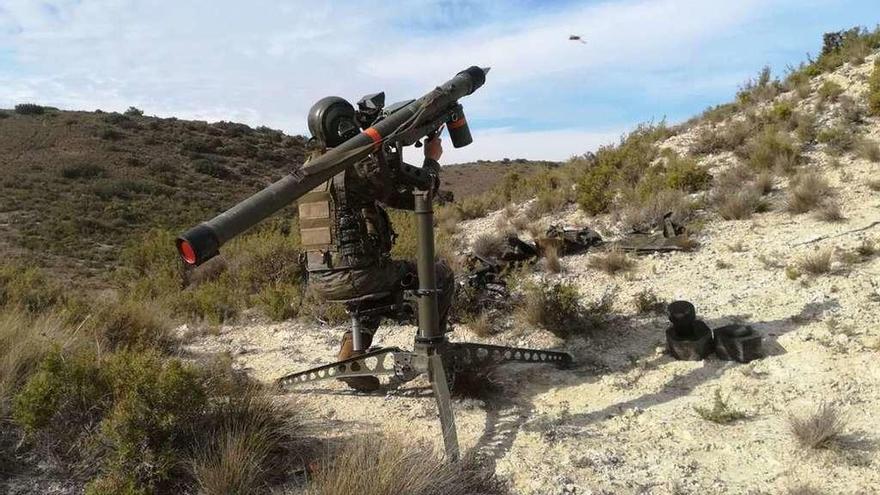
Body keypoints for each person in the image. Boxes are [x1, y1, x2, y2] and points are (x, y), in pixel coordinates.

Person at [297, 96, 455, 391]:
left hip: (319, 278)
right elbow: (412, 190)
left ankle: (351, 357)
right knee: (440, 274)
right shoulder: (354, 167)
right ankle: (433, 354)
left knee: (374, 293)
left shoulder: (310, 170)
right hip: (358, 275)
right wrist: (431, 159)